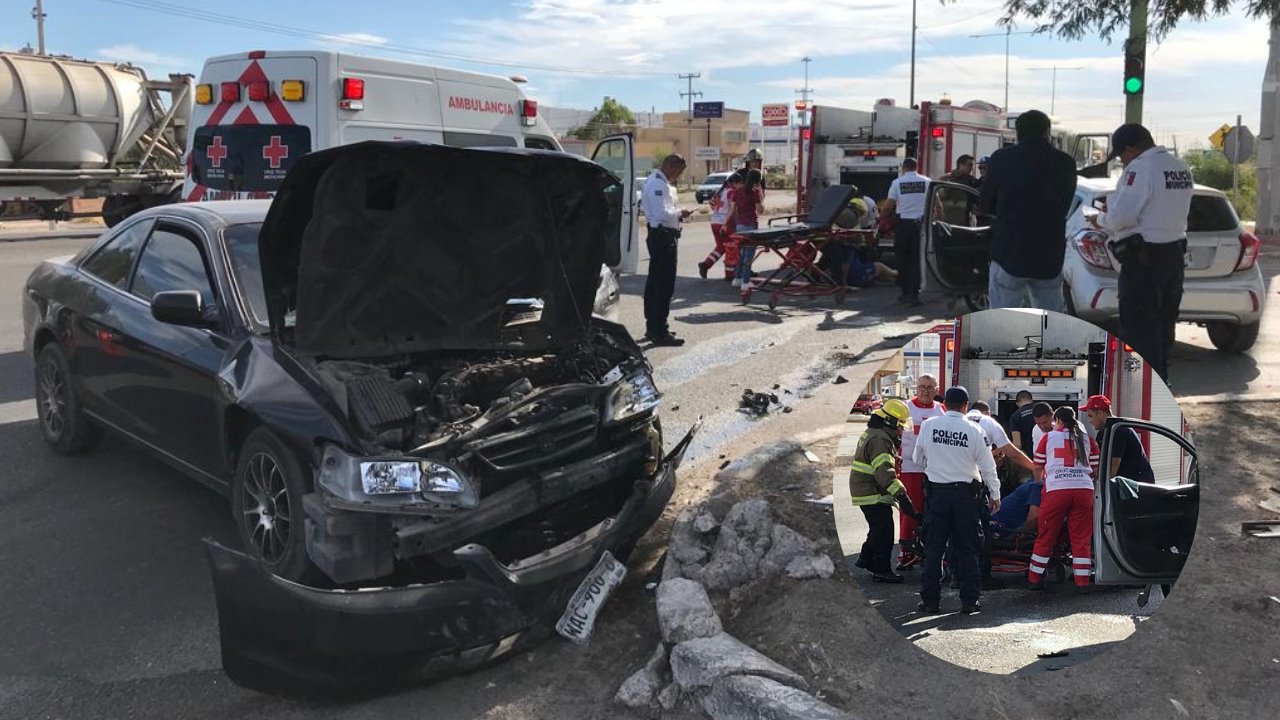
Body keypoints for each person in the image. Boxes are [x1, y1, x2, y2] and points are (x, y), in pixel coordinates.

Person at [1088, 123, 1195, 383]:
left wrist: (1100, 219)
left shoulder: (1140, 168)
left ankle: (1143, 391)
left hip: (1143, 261)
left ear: (1132, 148)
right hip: (1172, 258)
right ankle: (1161, 381)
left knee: (1139, 330)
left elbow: (1123, 217)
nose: (1123, 161)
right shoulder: (1180, 168)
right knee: (1163, 328)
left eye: (1122, 155)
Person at [977, 109, 1078, 311]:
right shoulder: (1065, 162)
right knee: (1051, 320)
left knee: (1002, 320)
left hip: (1009, 252)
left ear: (1017, 133)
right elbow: (1066, 204)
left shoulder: (1001, 159)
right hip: (1049, 255)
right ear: (1047, 132)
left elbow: (985, 204)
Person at [912, 386, 1000, 614]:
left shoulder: (930, 425)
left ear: (945, 405)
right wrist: (995, 494)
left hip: (937, 495)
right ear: (965, 406)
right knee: (968, 549)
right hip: (965, 497)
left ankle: (930, 601)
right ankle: (969, 601)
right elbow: (988, 467)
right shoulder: (973, 430)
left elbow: (917, 458)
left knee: (933, 549)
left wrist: (938, 467)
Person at [1028, 406, 1100, 592]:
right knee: (1081, 538)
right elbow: (1096, 469)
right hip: (1084, 491)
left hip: (1056, 491)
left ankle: (1035, 579)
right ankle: (1082, 582)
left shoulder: (1048, 438)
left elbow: (1037, 467)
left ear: (1058, 420)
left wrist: (1041, 483)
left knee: (1046, 535)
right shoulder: (1088, 440)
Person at [849, 399, 915, 584]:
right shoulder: (881, 439)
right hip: (871, 491)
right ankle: (882, 571)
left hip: (864, 487)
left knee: (878, 528)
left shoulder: (876, 432)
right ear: (891, 422)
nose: (901, 430)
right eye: (900, 425)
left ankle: (865, 558)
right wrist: (902, 496)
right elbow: (884, 472)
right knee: (884, 532)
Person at [640, 154, 694, 346]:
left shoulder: (657, 182)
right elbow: (662, 214)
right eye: (678, 172)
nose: (677, 176)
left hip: (661, 235)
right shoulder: (658, 185)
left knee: (656, 283)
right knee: (663, 285)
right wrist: (681, 213)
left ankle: (654, 326)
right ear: (670, 166)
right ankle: (658, 330)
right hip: (662, 237)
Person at [897, 374, 946, 570]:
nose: (925, 390)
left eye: (929, 387)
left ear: (936, 389)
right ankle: (906, 552)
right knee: (909, 510)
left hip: (933, 470)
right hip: (909, 468)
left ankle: (927, 550)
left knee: (932, 512)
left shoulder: (940, 410)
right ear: (915, 388)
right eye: (922, 386)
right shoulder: (905, 408)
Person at [882, 158, 930, 306]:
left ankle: (904, 292)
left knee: (903, 259)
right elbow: (937, 205)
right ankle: (914, 295)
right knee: (916, 260)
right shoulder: (927, 182)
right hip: (921, 226)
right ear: (917, 167)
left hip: (903, 225)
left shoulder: (897, 183)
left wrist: (880, 217)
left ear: (904, 168)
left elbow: (888, 206)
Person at [1082, 394, 1156, 483]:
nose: (1089, 421)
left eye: (1090, 416)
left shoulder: (1119, 431)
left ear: (1100, 413)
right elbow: (1100, 462)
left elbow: (1112, 470)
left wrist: (1096, 485)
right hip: (1125, 485)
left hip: (1138, 487)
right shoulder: (1104, 432)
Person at [699, 171, 744, 281]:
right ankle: (730, 274)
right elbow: (733, 209)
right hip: (726, 223)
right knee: (732, 248)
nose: (741, 186)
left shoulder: (720, 191)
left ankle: (706, 264)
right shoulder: (732, 192)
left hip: (715, 221)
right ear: (734, 183)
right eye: (740, 183)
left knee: (721, 247)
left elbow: (711, 204)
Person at [726, 169, 765, 290]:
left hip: (740, 225)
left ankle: (737, 279)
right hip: (751, 225)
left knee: (742, 254)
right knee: (749, 254)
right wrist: (761, 194)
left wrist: (725, 224)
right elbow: (760, 210)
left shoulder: (737, 192)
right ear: (758, 180)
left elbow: (732, 210)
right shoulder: (754, 192)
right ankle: (746, 282)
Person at [1008, 390, 1038, 460]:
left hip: (1030, 456)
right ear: (1031, 400)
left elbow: (1017, 444)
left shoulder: (1015, 416)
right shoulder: (1041, 409)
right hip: (1047, 453)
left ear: (1017, 403)